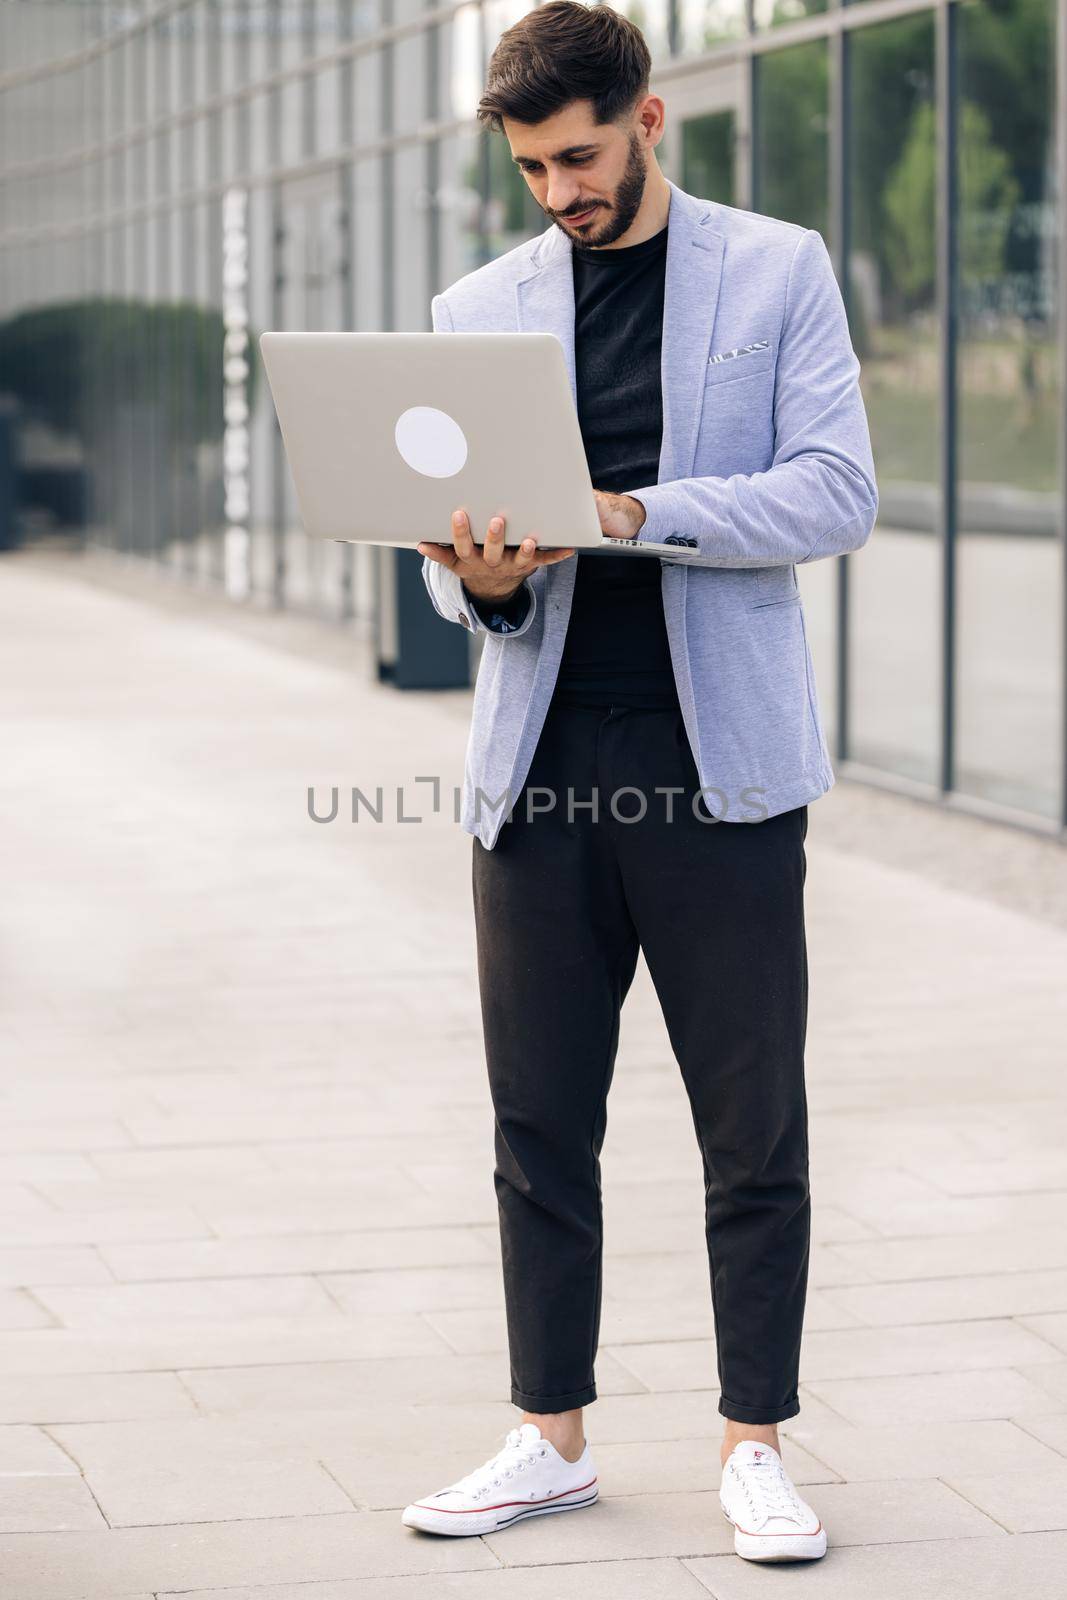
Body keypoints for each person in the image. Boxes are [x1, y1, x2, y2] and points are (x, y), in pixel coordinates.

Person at [402, 0, 876, 1564]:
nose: (561, 192)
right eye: (535, 169)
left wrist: (622, 512)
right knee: (539, 1118)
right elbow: (455, 585)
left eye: (583, 157)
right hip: (535, 769)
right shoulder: (475, 307)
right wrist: (475, 580)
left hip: (717, 765)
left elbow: (833, 492)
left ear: (649, 119)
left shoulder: (780, 269)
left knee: (753, 1122)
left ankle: (756, 1444)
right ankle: (548, 1436)